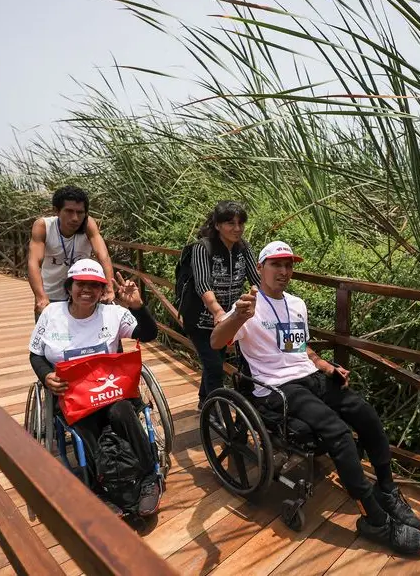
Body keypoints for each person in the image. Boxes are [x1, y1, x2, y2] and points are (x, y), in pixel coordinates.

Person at [210, 241, 420, 555]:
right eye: (276, 265)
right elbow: (217, 342)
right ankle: (374, 520)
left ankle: (388, 489)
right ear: (260, 268)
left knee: (366, 414)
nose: (284, 272)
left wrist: (325, 365)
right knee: (338, 432)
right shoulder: (246, 306)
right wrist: (238, 318)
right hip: (277, 388)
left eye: (288, 266)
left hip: (311, 378)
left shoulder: (297, 303)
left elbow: (301, 348)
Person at [28, 258, 161, 517]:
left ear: (102, 291)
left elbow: (148, 335)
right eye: (81, 284)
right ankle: (102, 484)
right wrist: (46, 377)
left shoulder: (112, 314)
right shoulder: (51, 315)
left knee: (123, 411)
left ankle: (148, 477)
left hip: (112, 393)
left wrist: (137, 307)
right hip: (73, 396)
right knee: (83, 424)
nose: (87, 290)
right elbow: (36, 355)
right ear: (69, 287)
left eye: (95, 285)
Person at [179, 200, 262, 410]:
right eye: (230, 223)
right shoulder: (202, 247)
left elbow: (257, 280)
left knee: (213, 362)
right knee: (215, 367)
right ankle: (217, 414)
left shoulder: (243, 248)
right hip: (199, 319)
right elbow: (203, 284)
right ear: (217, 225)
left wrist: (274, 302)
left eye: (241, 223)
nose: (237, 229)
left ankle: (204, 402)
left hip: (227, 321)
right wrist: (217, 310)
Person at [28, 185, 115, 320]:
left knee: (86, 336)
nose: (75, 218)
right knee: (49, 338)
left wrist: (109, 289)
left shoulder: (88, 225)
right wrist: (40, 296)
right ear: (56, 211)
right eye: (69, 211)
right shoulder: (43, 226)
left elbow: (103, 256)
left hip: (81, 294)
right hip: (50, 294)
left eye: (80, 213)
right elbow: (34, 262)